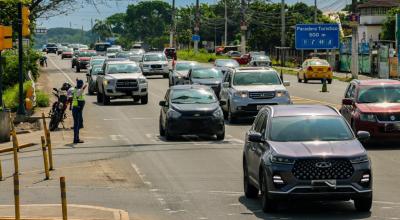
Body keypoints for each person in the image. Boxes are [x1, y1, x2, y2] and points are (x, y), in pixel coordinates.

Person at [71, 79, 86, 144]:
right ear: (81, 84)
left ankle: (77, 138)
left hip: (76, 109)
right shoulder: (78, 90)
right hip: (77, 109)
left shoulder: (75, 89)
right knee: (77, 125)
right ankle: (76, 139)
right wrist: (83, 88)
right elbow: (78, 93)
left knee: (78, 124)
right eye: (81, 84)